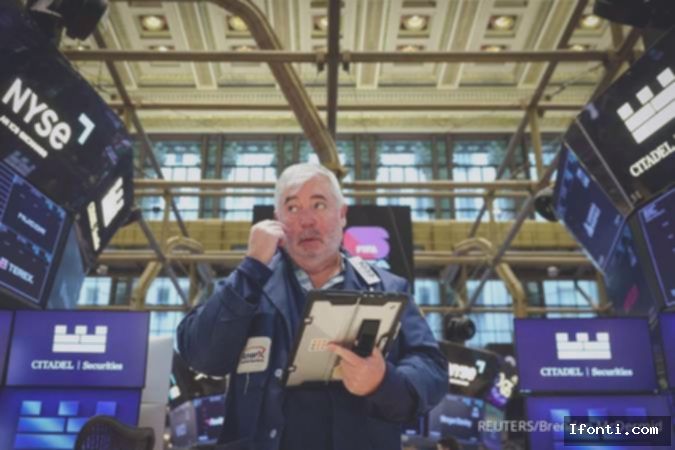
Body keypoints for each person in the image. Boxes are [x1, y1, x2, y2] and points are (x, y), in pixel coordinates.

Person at [177, 163, 447, 450]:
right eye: (292, 208)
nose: (306, 220)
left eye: (319, 205)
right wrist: (251, 267)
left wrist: (382, 381)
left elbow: (432, 369)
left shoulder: (388, 288)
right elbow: (201, 356)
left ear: (342, 214)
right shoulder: (248, 286)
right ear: (277, 220)